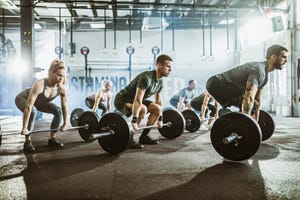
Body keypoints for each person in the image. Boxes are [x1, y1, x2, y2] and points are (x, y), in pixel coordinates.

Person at [206, 44, 288, 120]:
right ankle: (230, 119)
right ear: (273, 57)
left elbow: (258, 99)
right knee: (250, 103)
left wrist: (257, 120)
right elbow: (249, 97)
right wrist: (248, 123)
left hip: (224, 85)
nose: (286, 61)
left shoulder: (265, 76)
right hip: (216, 83)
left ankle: (232, 120)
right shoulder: (259, 70)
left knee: (253, 105)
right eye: (283, 57)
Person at [114, 54, 172, 149]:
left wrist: (160, 119)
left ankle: (144, 137)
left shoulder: (160, 82)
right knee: (143, 109)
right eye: (168, 66)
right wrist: (134, 121)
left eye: (170, 67)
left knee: (157, 109)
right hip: (122, 99)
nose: (170, 70)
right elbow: (138, 99)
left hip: (136, 101)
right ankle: (129, 138)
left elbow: (158, 101)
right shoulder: (146, 77)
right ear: (158, 65)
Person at [15, 59, 68, 152]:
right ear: (51, 73)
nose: (61, 78)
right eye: (59, 75)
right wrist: (24, 127)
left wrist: (65, 123)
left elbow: (64, 106)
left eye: (63, 76)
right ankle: (27, 142)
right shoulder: (40, 84)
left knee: (58, 111)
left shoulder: (61, 88)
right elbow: (28, 106)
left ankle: (52, 139)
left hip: (40, 103)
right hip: (23, 98)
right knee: (33, 111)